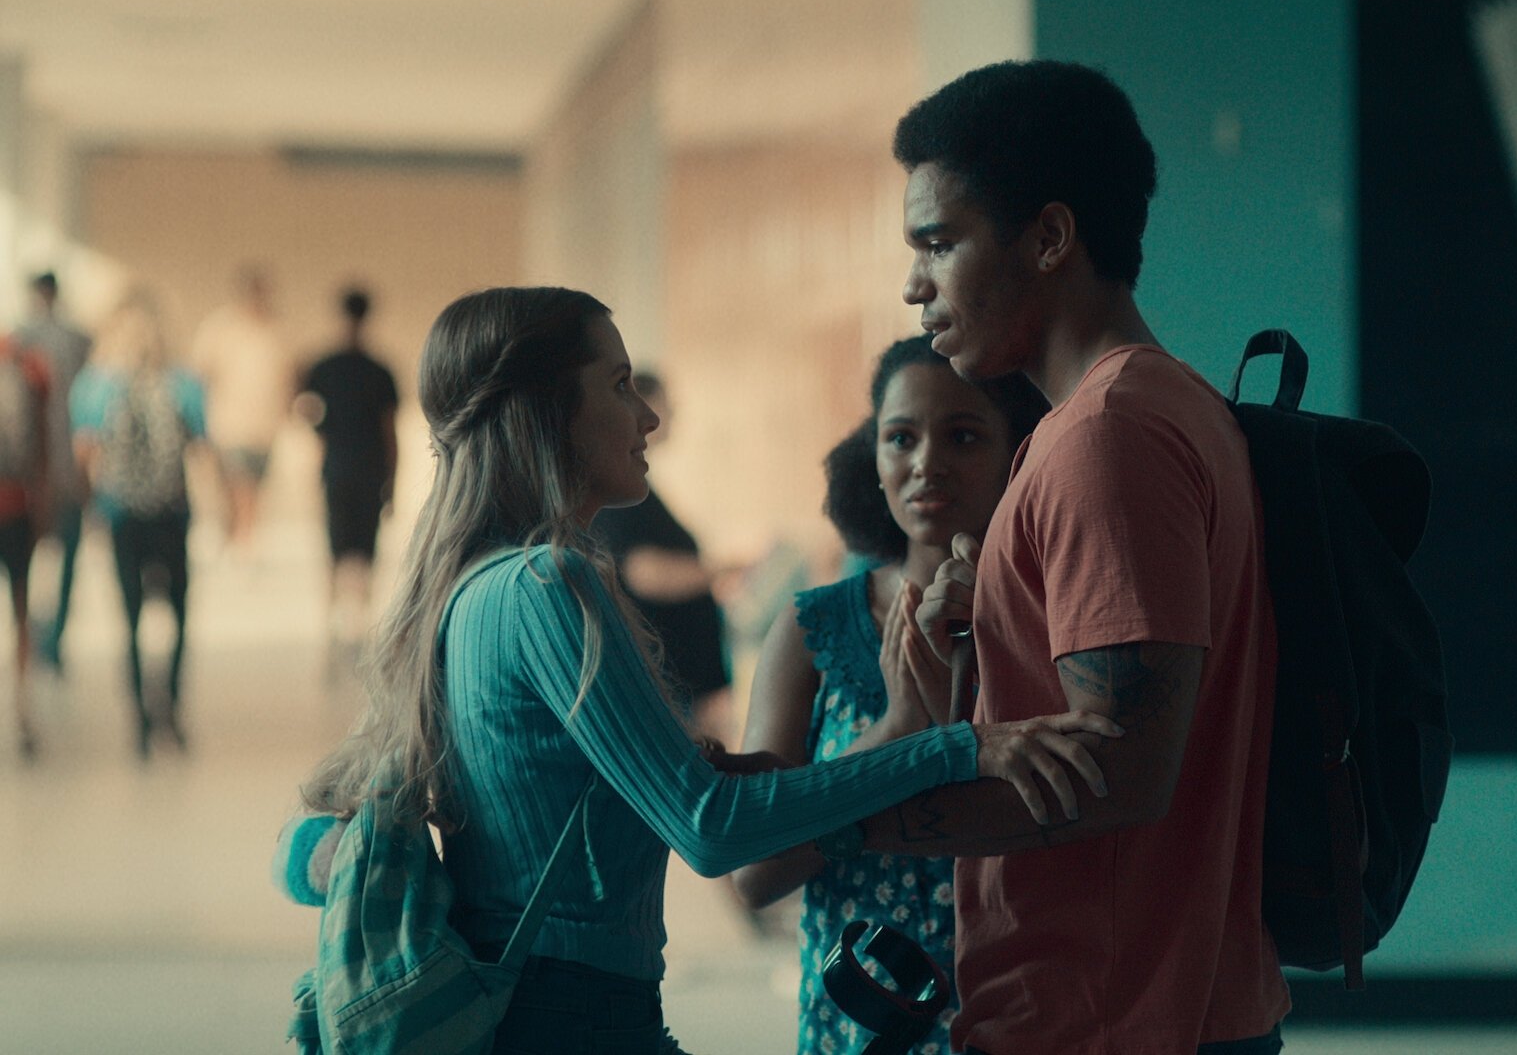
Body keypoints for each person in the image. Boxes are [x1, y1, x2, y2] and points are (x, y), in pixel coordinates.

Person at [295, 287, 1118, 1053]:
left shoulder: (476, 587)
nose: (648, 416)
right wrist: (955, 748)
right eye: (620, 385)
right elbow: (712, 828)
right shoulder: (546, 584)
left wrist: (834, 749)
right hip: (571, 1015)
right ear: (548, 410)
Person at [840, 61, 1288, 1053]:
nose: (914, 286)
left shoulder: (1108, 436)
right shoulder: (1141, 411)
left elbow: (1120, 773)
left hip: (1111, 1022)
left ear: (1048, 238)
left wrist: (827, 814)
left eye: (938, 243)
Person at [732, 334, 1049, 1055]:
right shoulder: (813, 629)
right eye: (900, 437)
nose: (926, 462)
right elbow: (753, 872)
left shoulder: (1054, 623)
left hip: (1029, 1015)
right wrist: (895, 737)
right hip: (866, 1021)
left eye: (963, 436)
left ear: (1018, 454)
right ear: (870, 457)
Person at [72, 290, 219, 759]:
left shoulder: (96, 385)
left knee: (131, 617)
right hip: (172, 513)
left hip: (122, 514)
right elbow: (201, 447)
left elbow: (85, 452)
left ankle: (139, 715)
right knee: (178, 613)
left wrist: (91, 508)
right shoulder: (183, 383)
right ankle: (170, 706)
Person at [590, 372, 731, 739]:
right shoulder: (619, 497)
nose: (660, 418)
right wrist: (720, 572)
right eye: (664, 406)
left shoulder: (640, 490)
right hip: (672, 683)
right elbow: (642, 572)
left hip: (690, 684)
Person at [297, 286, 399, 662]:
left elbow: (305, 410)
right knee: (364, 552)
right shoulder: (379, 371)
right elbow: (389, 433)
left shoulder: (325, 368)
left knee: (337, 551)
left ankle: (333, 629)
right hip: (368, 471)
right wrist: (393, 482)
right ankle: (360, 626)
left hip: (339, 470)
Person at [15, 272, 93, 675]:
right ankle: (51, 636)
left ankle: (34, 635)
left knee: (27, 564)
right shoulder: (76, 340)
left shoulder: (22, 342)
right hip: (66, 465)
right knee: (64, 557)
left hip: (36, 472)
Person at [190, 264, 293, 553]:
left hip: (265, 427)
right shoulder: (220, 328)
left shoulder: (276, 329)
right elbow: (202, 373)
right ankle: (242, 539)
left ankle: (242, 536)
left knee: (254, 486)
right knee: (238, 484)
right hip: (229, 424)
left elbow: (287, 375)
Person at [0, 329, 51, 759]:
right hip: (16, 505)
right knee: (20, 609)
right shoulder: (26, 364)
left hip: (17, 503)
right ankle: (22, 711)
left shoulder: (28, 364)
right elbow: (42, 446)